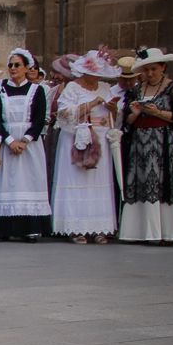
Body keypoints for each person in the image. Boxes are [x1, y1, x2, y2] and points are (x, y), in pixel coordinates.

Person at [51, 51, 121, 243]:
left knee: (98, 182)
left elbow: (115, 116)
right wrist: (91, 104)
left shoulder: (106, 88)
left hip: (100, 137)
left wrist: (113, 109)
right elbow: (63, 114)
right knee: (77, 181)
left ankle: (99, 227)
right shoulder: (72, 87)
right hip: (78, 137)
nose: (97, 77)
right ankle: (76, 227)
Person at [120, 47, 173, 244]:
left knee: (164, 182)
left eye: (154, 69)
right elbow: (128, 121)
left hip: (164, 141)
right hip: (141, 141)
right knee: (141, 181)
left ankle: (167, 232)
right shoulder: (136, 90)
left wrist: (157, 112)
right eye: (146, 70)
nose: (150, 74)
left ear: (163, 67)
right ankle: (141, 231)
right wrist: (136, 112)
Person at [0, 48, 51, 242]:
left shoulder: (37, 90)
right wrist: (9, 141)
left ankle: (30, 228)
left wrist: (25, 141)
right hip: (8, 143)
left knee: (29, 182)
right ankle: (6, 228)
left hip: (29, 145)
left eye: (17, 65)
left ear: (27, 67)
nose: (13, 68)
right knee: (8, 183)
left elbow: (39, 119)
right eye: (10, 65)